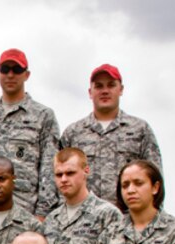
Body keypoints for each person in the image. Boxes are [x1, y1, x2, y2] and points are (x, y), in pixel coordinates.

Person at [60, 64, 163, 207]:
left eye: (111, 85)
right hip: (84, 220)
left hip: (128, 219)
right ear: (90, 92)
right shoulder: (73, 133)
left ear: (121, 89)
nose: (105, 91)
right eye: (99, 86)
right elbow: (60, 180)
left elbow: (156, 179)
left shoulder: (140, 130)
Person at [0, 49, 60, 220]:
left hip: (28, 211)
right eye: (5, 69)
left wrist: (42, 213)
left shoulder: (43, 116)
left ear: (26, 75)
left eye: (17, 70)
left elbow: (49, 168)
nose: (10, 75)